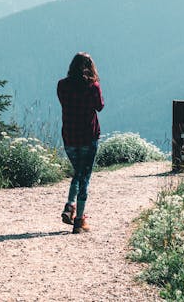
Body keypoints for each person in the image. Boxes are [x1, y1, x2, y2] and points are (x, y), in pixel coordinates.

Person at [57, 52, 104, 234]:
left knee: (78, 172)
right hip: (88, 136)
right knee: (85, 177)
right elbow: (99, 106)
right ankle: (79, 220)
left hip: (69, 136)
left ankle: (70, 205)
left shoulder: (62, 85)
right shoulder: (93, 86)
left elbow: (63, 103)